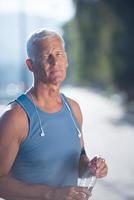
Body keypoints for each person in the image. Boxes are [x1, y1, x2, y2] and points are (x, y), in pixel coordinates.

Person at [0, 28, 108, 200]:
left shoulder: (74, 108)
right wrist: (52, 193)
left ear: (66, 60)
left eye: (59, 54)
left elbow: (79, 159)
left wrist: (92, 166)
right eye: (46, 56)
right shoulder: (15, 117)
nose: (55, 61)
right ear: (30, 65)